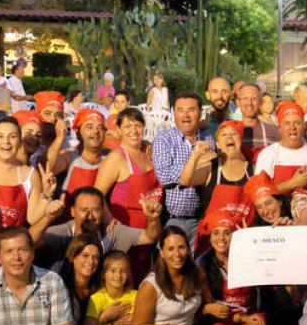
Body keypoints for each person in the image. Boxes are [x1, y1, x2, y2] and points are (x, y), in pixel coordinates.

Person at [195, 211, 266, 325]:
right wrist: (237, 318)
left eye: (227, 233)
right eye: (216, 233)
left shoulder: (250, 257)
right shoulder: (202, 265)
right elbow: (203, 309)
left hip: (245, 322)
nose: (222, 238)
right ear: (209, 238)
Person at [37, 187, 162, 269]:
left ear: (103, 212)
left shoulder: (112, 232)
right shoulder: (63, 232)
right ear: (72, 211)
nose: (89, 216)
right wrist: (47, 218)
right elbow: (30, 242)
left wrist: (152, 219)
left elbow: (151, 237)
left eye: (95, 210)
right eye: (83, 210)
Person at [152, 92, 213, 239]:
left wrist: (189, 172)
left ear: (200, 113)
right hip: (173, 220)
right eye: (180, 110)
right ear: (174, 113)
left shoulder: (209, 139)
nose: (186, 115)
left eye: (191, 110)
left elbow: (211, 174)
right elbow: (165, 177)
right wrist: (197, 162)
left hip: (203, 219)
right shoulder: (163, 139)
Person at [95, 107, 161, 231]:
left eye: (138, 125)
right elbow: (97, 194)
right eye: (128, 126)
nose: (134, 131)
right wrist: (109, 218)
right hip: (125, 229)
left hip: (151, 229)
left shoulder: (149, 153)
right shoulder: (116, 158)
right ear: (119, 130)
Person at [0, 117, 52, 233]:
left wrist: (47, 194)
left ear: (20, 142)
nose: (6, 141)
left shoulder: (30, 175)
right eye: (0, 136)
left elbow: (32, 218)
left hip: (11, 244)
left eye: (13, 136)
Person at [193, 121, 252, 250]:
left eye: (234, 134)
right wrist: (196, 155)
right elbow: (185, 180)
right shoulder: (212, 167)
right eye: (224, 135)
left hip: (244, 241)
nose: (229, 137)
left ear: (241, 140)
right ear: (218, 144)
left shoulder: (253, 169)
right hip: (212, 243)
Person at [254, 101, 307, 197]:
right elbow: (260, 192)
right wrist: (292, 183)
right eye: (287, 123)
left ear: (304, 126)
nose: (292, 127)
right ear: (279, 128)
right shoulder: (268, 154)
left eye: (297, 123)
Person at [56, 108, 109, 209]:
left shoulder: (109, 158)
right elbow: (51, 166)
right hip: (69, 221)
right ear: (78, 133)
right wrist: (59, 138)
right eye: (89, 127)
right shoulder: (69, 156)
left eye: (100, 127)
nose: (96, 131)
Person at [236, 84, 277, 162]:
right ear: (238, 102)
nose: (249, 103)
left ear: (260, 102)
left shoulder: (275, 131)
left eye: (254, 99)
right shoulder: (231, 132)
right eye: (245, 98)